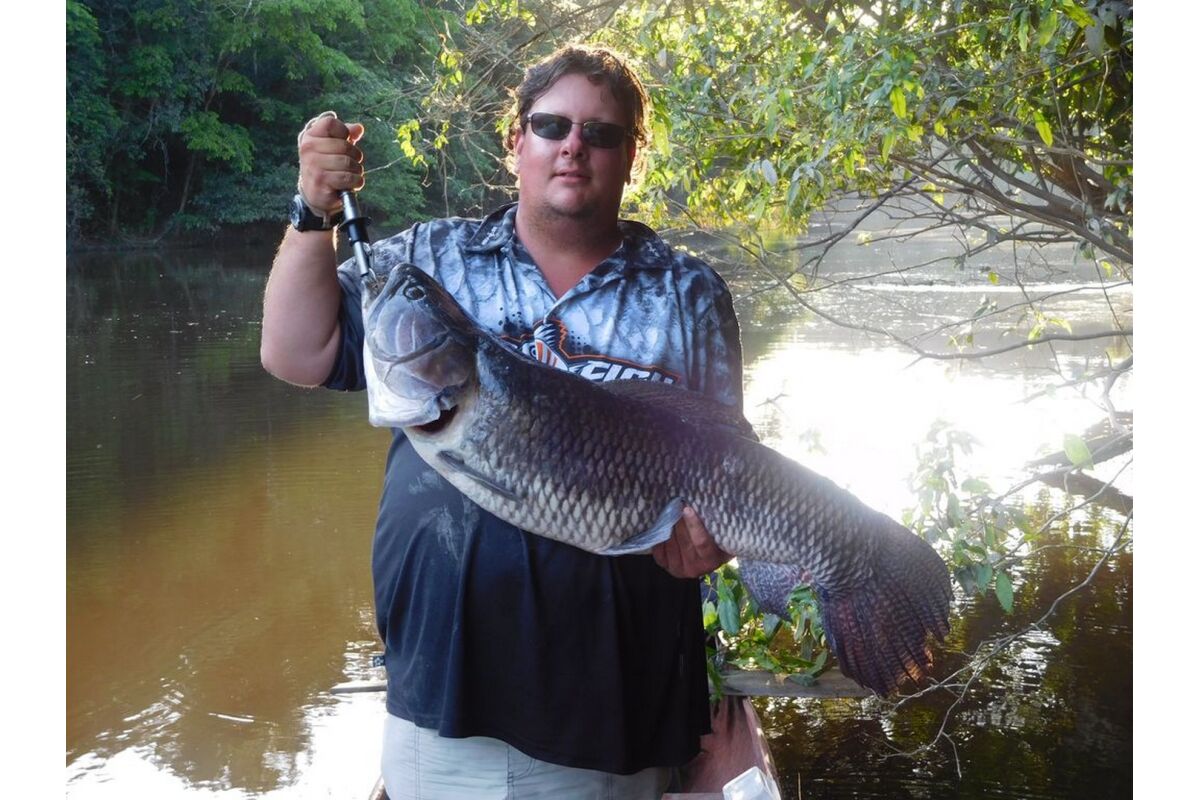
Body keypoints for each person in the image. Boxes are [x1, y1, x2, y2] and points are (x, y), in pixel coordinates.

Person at [261, 44, 745, 799]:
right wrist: (311, 212)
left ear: (631, 156)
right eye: (551, 125)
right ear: (516, 140)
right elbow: (296, 353)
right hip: (443, 702)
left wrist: (708, 546)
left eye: (602, 133)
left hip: (611, 715)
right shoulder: (430, 260)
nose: (573, 146)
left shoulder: (688, 293)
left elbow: (727, 479)